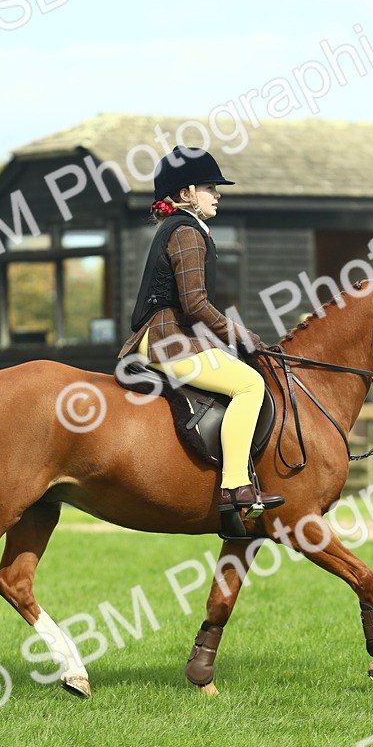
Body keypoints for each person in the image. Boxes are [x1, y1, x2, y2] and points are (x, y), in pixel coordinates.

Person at [119, 146, 285, 536]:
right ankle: (234, 487)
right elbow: (195, 305)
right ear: (187, 193)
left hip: (167, 337)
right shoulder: (188, 232)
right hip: (169, 341)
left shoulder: (180, 228)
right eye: (211, 187)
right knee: (250, 383)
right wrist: (243, 337)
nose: (218, 193)